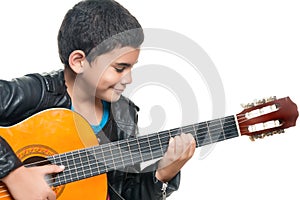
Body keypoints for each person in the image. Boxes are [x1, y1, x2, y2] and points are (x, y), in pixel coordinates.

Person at [0, 0, 196, 199]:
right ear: (79, 62)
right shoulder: (37, 93)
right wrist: (14, 174)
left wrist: (162, 175)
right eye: (120, 68)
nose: (129, 79)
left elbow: (123, 194)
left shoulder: (124, 118)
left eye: (131, 67)